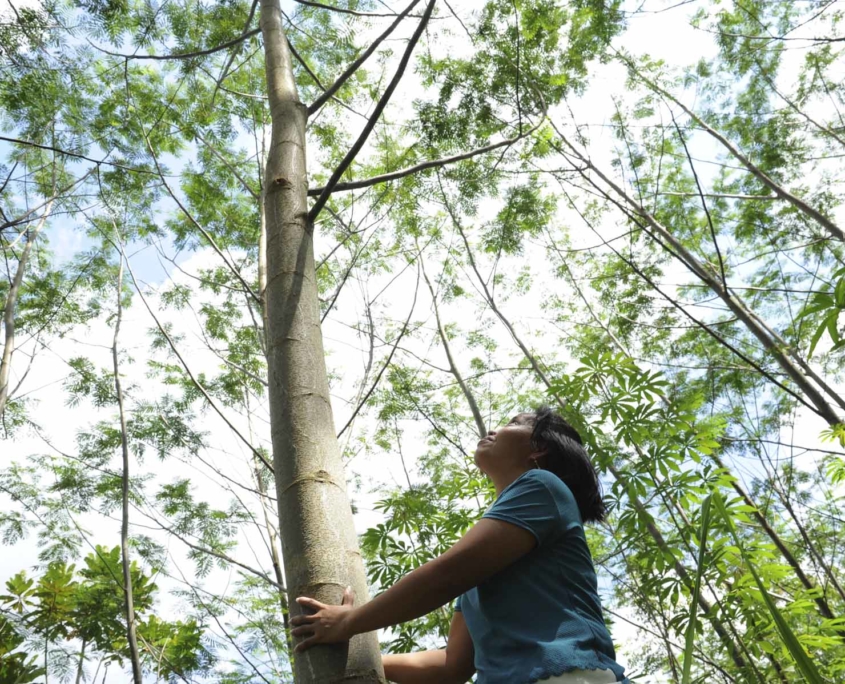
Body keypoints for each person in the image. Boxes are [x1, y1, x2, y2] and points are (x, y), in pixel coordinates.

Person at [290, 406, 629, 684]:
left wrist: (350, 623)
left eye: (513, 423)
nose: (495, 428)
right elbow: (453, 665)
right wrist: (362, 655)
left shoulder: (543, 486)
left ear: (539, 447)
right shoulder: (487, 566)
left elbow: (445, 575)